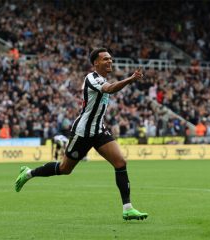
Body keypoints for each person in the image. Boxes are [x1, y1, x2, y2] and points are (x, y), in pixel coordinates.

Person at [15, 48, 148, 220]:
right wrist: (130, 79)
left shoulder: (101, 78)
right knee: (64, 169)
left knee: (120, 162)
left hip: (99, 130)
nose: (110, 61)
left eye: (111, 59)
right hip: (83, 132)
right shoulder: (91, 78)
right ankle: (28, 173)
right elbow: (109, 89)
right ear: (96, 63)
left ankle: (127, 208)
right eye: (105, 59)